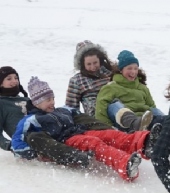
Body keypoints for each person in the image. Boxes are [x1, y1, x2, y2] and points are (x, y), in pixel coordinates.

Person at [12, 77, 161, 181]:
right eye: (47, 100)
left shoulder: (62, 110)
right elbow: (17, 141)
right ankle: (125, 165)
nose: (52, 102)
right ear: (37, 103)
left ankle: (144, 143)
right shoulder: (31, 120)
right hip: (66, 140)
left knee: (109, 135)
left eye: (52, 98)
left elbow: (83, 117)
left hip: (80, 130)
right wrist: (32, 153)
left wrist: (104, 127)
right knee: (94, 143)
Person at [95, 50, 164, 132]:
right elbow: (101, 110)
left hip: (144, 121)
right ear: (121, 70)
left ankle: (167, 123)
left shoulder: (143, 88)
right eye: (129, 68)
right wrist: (107, 129)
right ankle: (135, 124)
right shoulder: (111, 87)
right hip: (124, 124)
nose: (133, 72)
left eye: (135, 68)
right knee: (114, 105)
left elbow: (152, 106)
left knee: (154, 110)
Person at [65, 40, 116, 117]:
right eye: (88, 64)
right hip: (95, 117)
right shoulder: (77, 80)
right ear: (82, 64)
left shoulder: (111, 73)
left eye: (95, 63)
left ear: (100, 59)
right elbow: (71, 108)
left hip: (116, 110)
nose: (93, 67)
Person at [0, 66, 29, 151]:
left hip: (47, 132)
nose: (14, 81)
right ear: (1, 83)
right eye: (9, 79)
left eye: (16, 78)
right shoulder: (2, 103)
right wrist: (10, 145)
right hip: (28, 140)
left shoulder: (27, 100)